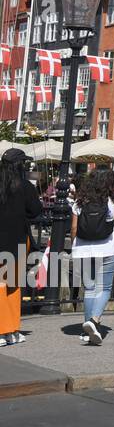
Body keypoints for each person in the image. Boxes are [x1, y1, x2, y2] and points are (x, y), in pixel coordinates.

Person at [70, 169, 114, 345]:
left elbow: (73, 229)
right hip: (107, 249)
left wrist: (76, 245)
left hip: (83, 250)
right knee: (105, 288)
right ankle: (93, 321)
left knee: (90, 288)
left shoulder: (80, 201)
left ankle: (86, 332)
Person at [0, 148, 42, 346]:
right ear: (19, 165)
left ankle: (4, 331)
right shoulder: (24, 186)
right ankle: (8, 330)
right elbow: (35, 211)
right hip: (15, 241)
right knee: (12, 288)